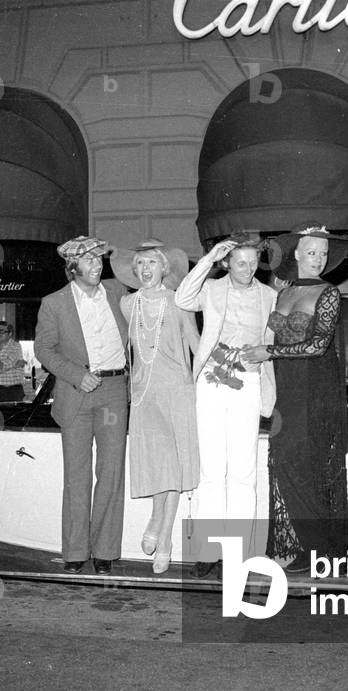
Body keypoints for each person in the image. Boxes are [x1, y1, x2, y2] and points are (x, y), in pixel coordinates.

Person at [243, 222, 348, 572]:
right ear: (296, 254)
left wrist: (269, 352)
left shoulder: (329, 293)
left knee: (304, 467)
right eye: (311, 252)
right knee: (283, 464)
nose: (318, 260)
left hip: (313, 390)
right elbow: (267, 327)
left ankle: (327, 553)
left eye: (322, 254)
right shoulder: (284, 292)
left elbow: (318, 345)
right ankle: (311, 546)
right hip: (284, 390)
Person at [174, 232, 277, 579]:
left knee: (243, 473)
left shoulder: (270, 296)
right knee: (212, 471)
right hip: (212, 383)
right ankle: (206, 551)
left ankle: (241, 555)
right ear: (227, 263)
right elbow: (182, 297)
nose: (247, 268)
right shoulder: (212, 289)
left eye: (252, 262)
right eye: (240, 262)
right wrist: (207, 260)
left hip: (248, 383)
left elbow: (274, 341)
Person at [34, 235, 128, 576]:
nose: (96, 264)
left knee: (111, 472)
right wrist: (76, 374)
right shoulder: (54, 303)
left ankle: (105, 551)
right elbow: (44, 349)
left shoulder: (118, 294)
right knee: (76, 476)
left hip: (115, 390)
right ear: (73, 267)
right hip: (77, 392)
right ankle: (74, 552)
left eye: (98, 259)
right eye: (89, 260)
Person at [110, 239, 199, 574]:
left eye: (152, 263)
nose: (146, 270)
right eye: (141, 264)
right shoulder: (126, 304)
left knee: (174, 467)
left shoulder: (179, 301)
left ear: (165, 268)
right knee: (159, 463)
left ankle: (164, 539)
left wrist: (219, 370)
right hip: (144, 394)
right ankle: (156, 516)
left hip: (177, 390)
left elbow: (195, 342)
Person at [0, 321, 27, 403]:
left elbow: (5, 364)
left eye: (2, 331)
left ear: (10, 334)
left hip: (13, 391)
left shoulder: (16, 346)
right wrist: (14, 366)